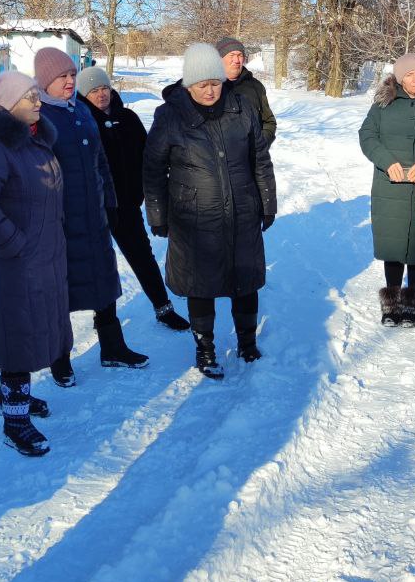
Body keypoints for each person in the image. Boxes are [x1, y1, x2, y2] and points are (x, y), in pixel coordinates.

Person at [143, 43, 277, 379]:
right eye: (202, 85)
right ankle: (205, 350)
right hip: (194, 218)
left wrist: (267, 202)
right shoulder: (170, 115)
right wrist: (157, 214)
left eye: (215, 83)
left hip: (242, 212)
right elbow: (153, 168)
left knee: (245, 281)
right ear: (188, 85)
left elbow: (260, 159)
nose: (210, 91)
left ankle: (247, 343)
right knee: (199, 285)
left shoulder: (241, 107)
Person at [0, 71, 72, 457]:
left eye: (36, 94)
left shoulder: (33, 139)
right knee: (16, 333)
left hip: (42, 254)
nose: (38, 101)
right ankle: (14, 418)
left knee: (36, 326)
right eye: (29, 96)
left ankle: (18, 396)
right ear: (9, 104)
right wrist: (13, 244)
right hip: (14, 261)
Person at [34, 47, 148, 385]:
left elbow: (100, 163)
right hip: (61, 222)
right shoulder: (39, 118)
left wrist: (110, 201)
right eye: (62, 77)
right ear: (44, 81)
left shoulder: (81, 112)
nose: (70, 81)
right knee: (61, 289)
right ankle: (60, 358)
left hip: (95, 214)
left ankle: (113, 347)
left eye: (72, 75)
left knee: (103, 280)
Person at [75, 63, 190, 332]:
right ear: (83, 94)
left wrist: (144, 192)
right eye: (94, 90)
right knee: (100, 265)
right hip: (96, 207)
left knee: (143, 256)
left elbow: (148, 157)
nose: (101, 94)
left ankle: (163, 309)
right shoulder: (80, 122)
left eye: (104, 88)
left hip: (126, 204)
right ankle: (103, 320)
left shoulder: (128, 118)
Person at [358, 53, 415, 327]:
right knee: (394, 246)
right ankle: (391, 305)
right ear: (399, 78)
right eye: (409, 74)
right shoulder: (383, 105)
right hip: (390, 186)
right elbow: (367, 135)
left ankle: (413, 304)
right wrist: (387, 162)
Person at [216, 36, 277, 145]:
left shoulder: (255, 86)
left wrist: (261, 143)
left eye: (239, 55)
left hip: (249, 159)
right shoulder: (207, 86)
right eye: (231, 55)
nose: (236, 60)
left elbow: (269, 121)